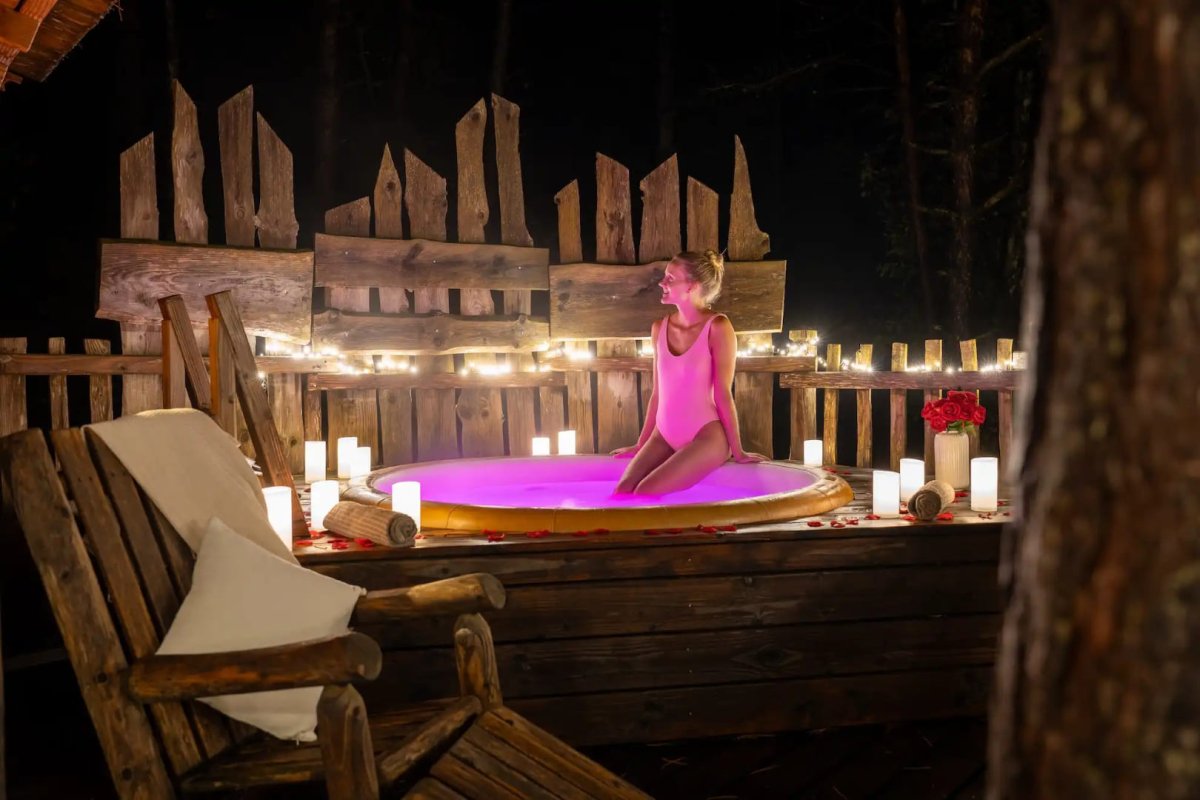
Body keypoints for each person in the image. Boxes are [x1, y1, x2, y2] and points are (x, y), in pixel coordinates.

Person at [613, 249, 768, 495]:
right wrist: (640, 444)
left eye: (671, 278)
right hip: (663, 435)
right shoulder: (659, 328)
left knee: (645, 492)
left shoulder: (717, 327)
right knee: (622, 491)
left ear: (692, 286)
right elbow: (658, 393)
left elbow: (723, 393)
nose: (662, 283)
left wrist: (738, 451)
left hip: (706, 436)